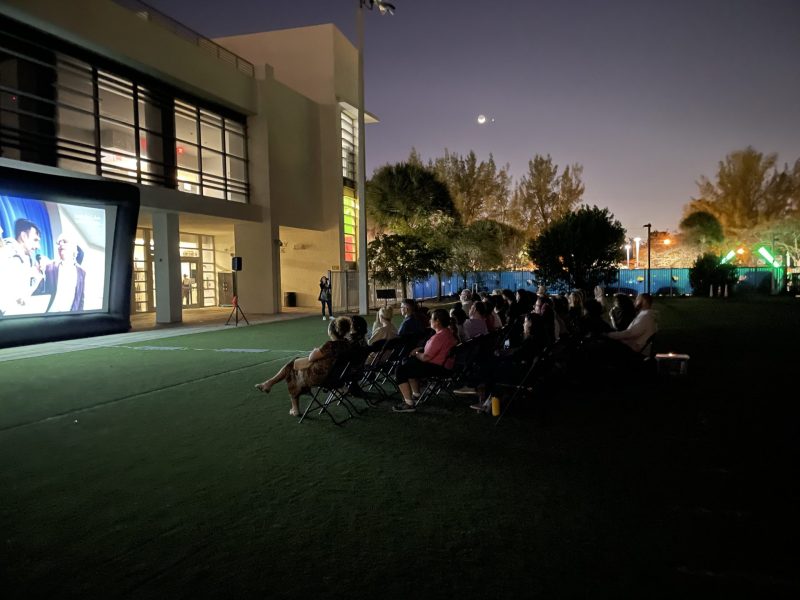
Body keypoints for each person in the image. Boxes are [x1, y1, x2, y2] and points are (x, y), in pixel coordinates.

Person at [254, 316, 353, 416]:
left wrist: (316, 351)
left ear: (332, 331)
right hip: (338, 376)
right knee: (295, 363)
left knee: (292, 371)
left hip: (322, 377)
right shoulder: (347, 344)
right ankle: (269, 383)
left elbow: (311, 357)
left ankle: (294, 408)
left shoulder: (330, 345)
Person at [393, 308, 457, 413]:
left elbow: (426, 357)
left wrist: (417, 353)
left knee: (400, 370)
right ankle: (416, 395)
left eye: (431, 319)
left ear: (437, 322)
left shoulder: (439, 337)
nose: (429, 321)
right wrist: (420, 350)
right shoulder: (448, 333)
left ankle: (409, 404)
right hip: (444, 365)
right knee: (407, 362)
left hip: (438, 368)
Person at [4, 218, 44, 313]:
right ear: (23, 236)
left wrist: (37, 276)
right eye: (35, 240)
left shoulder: (27, 259)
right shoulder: (6, 254)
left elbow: (23, 295)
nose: (38, 246)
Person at [44, 235, 86, 312]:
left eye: (65, 241)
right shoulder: (49, 268)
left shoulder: (81, 273)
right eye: (59, 243)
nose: (61, 244)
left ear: (74, 247)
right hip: (48, 317)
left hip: (69, 319)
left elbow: (81, 299)